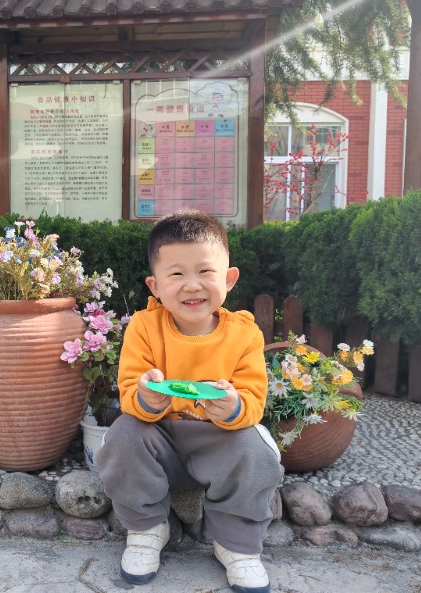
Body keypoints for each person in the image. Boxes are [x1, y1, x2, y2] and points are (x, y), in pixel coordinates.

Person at [96, 209, 283, 593]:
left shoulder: (244, 334)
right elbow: (129, 391)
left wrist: (233, 407)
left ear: (229, 279)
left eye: (205, 271)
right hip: (159, 443)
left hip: (218, 443)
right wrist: (146, 397)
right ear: (155, 286)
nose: (192, 285)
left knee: (254, 446)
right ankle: (147, 529)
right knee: (123, 433)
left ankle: (237, 543)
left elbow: (254, 400)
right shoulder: (144, 327)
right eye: (177, 274)